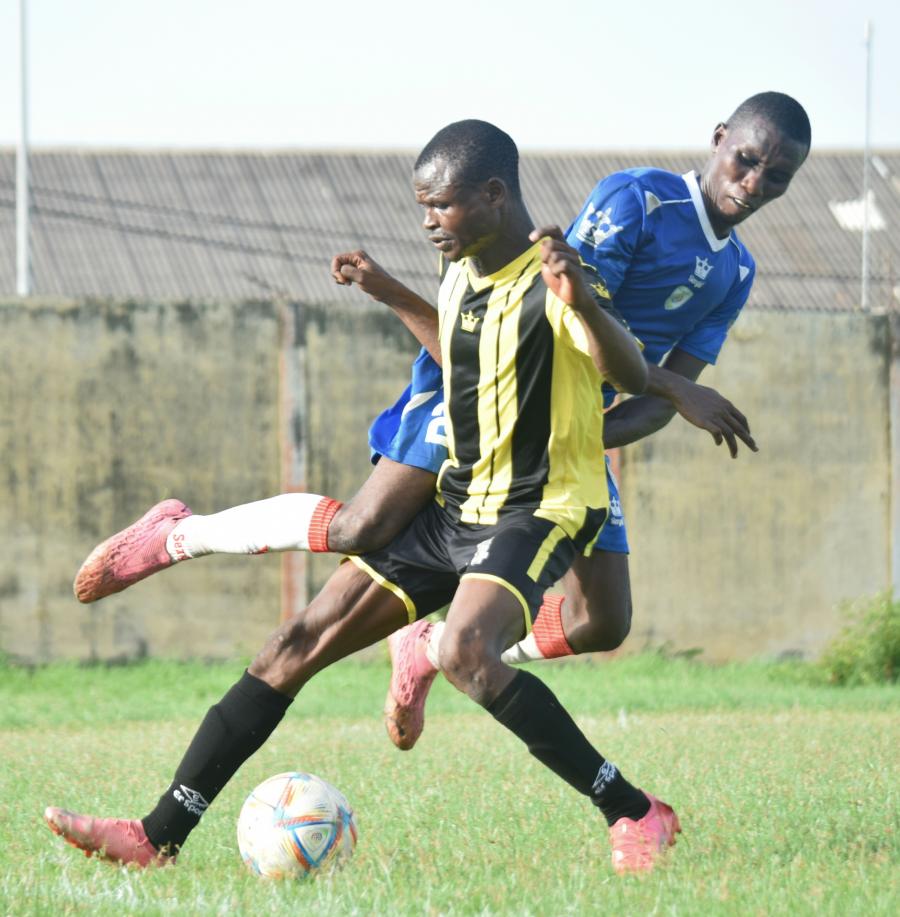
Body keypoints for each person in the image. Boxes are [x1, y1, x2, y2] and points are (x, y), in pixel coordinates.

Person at [70, 92, 809, 746]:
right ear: (719, 139)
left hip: (555, 424)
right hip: (476, 377)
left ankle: (428, 649)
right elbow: (562, 322)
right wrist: (661, 398)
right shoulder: (640, 202)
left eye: (776, 176)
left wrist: (596, 425)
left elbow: (659, 397)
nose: (754, 183)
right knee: (365, 526)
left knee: (600, 620)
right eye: (746, 160)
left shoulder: (736, 271)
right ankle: (176, 534)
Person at [47, 120, 678, 876]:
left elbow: (633, 374)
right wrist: (387, 291)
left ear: (493, 194)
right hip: (458, 506)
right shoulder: (463, 273)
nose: (427, 221)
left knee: (467, 650)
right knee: (291, 647)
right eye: (423, 206)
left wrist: (581, 300)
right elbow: (460, 353)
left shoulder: (560, 283)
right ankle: (156, 836)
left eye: (440, 205)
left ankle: (636, 811)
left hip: (539, 508)